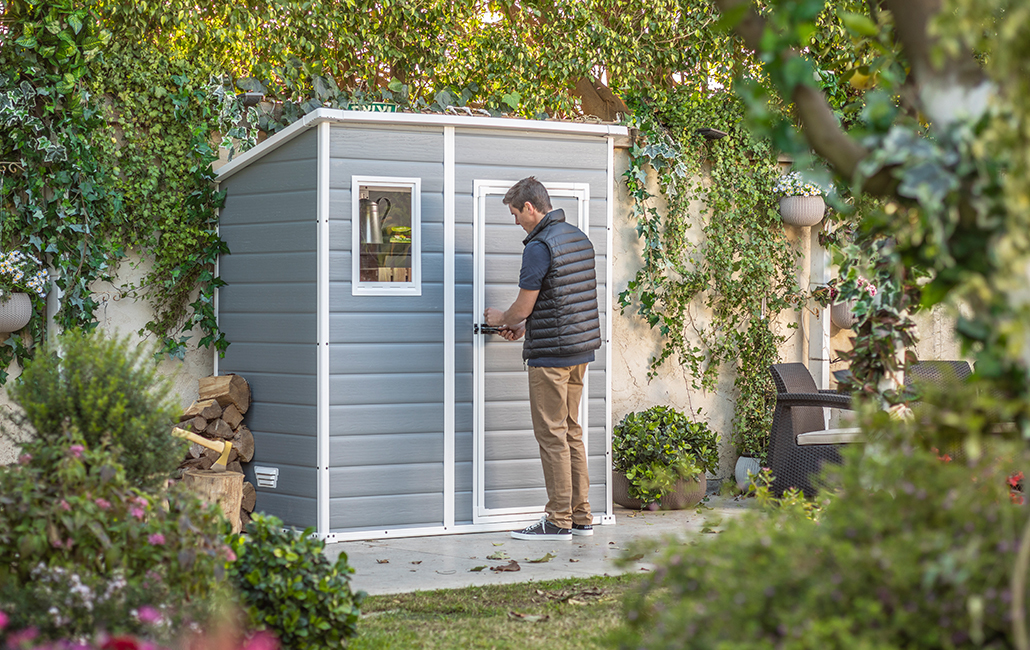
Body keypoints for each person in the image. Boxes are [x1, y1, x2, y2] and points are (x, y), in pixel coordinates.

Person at [483, 177, 602, 540]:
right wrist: (525, 327)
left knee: (551, 436)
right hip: (579, 352)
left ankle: (557, 520)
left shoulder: (538, 246)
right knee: (571, 431)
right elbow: (561, 299)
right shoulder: (577, 238)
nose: (516, 221)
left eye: (516, 213)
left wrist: (502, 319)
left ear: (530, 208)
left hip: (550, 357)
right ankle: (581, 517)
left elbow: (523, 306)